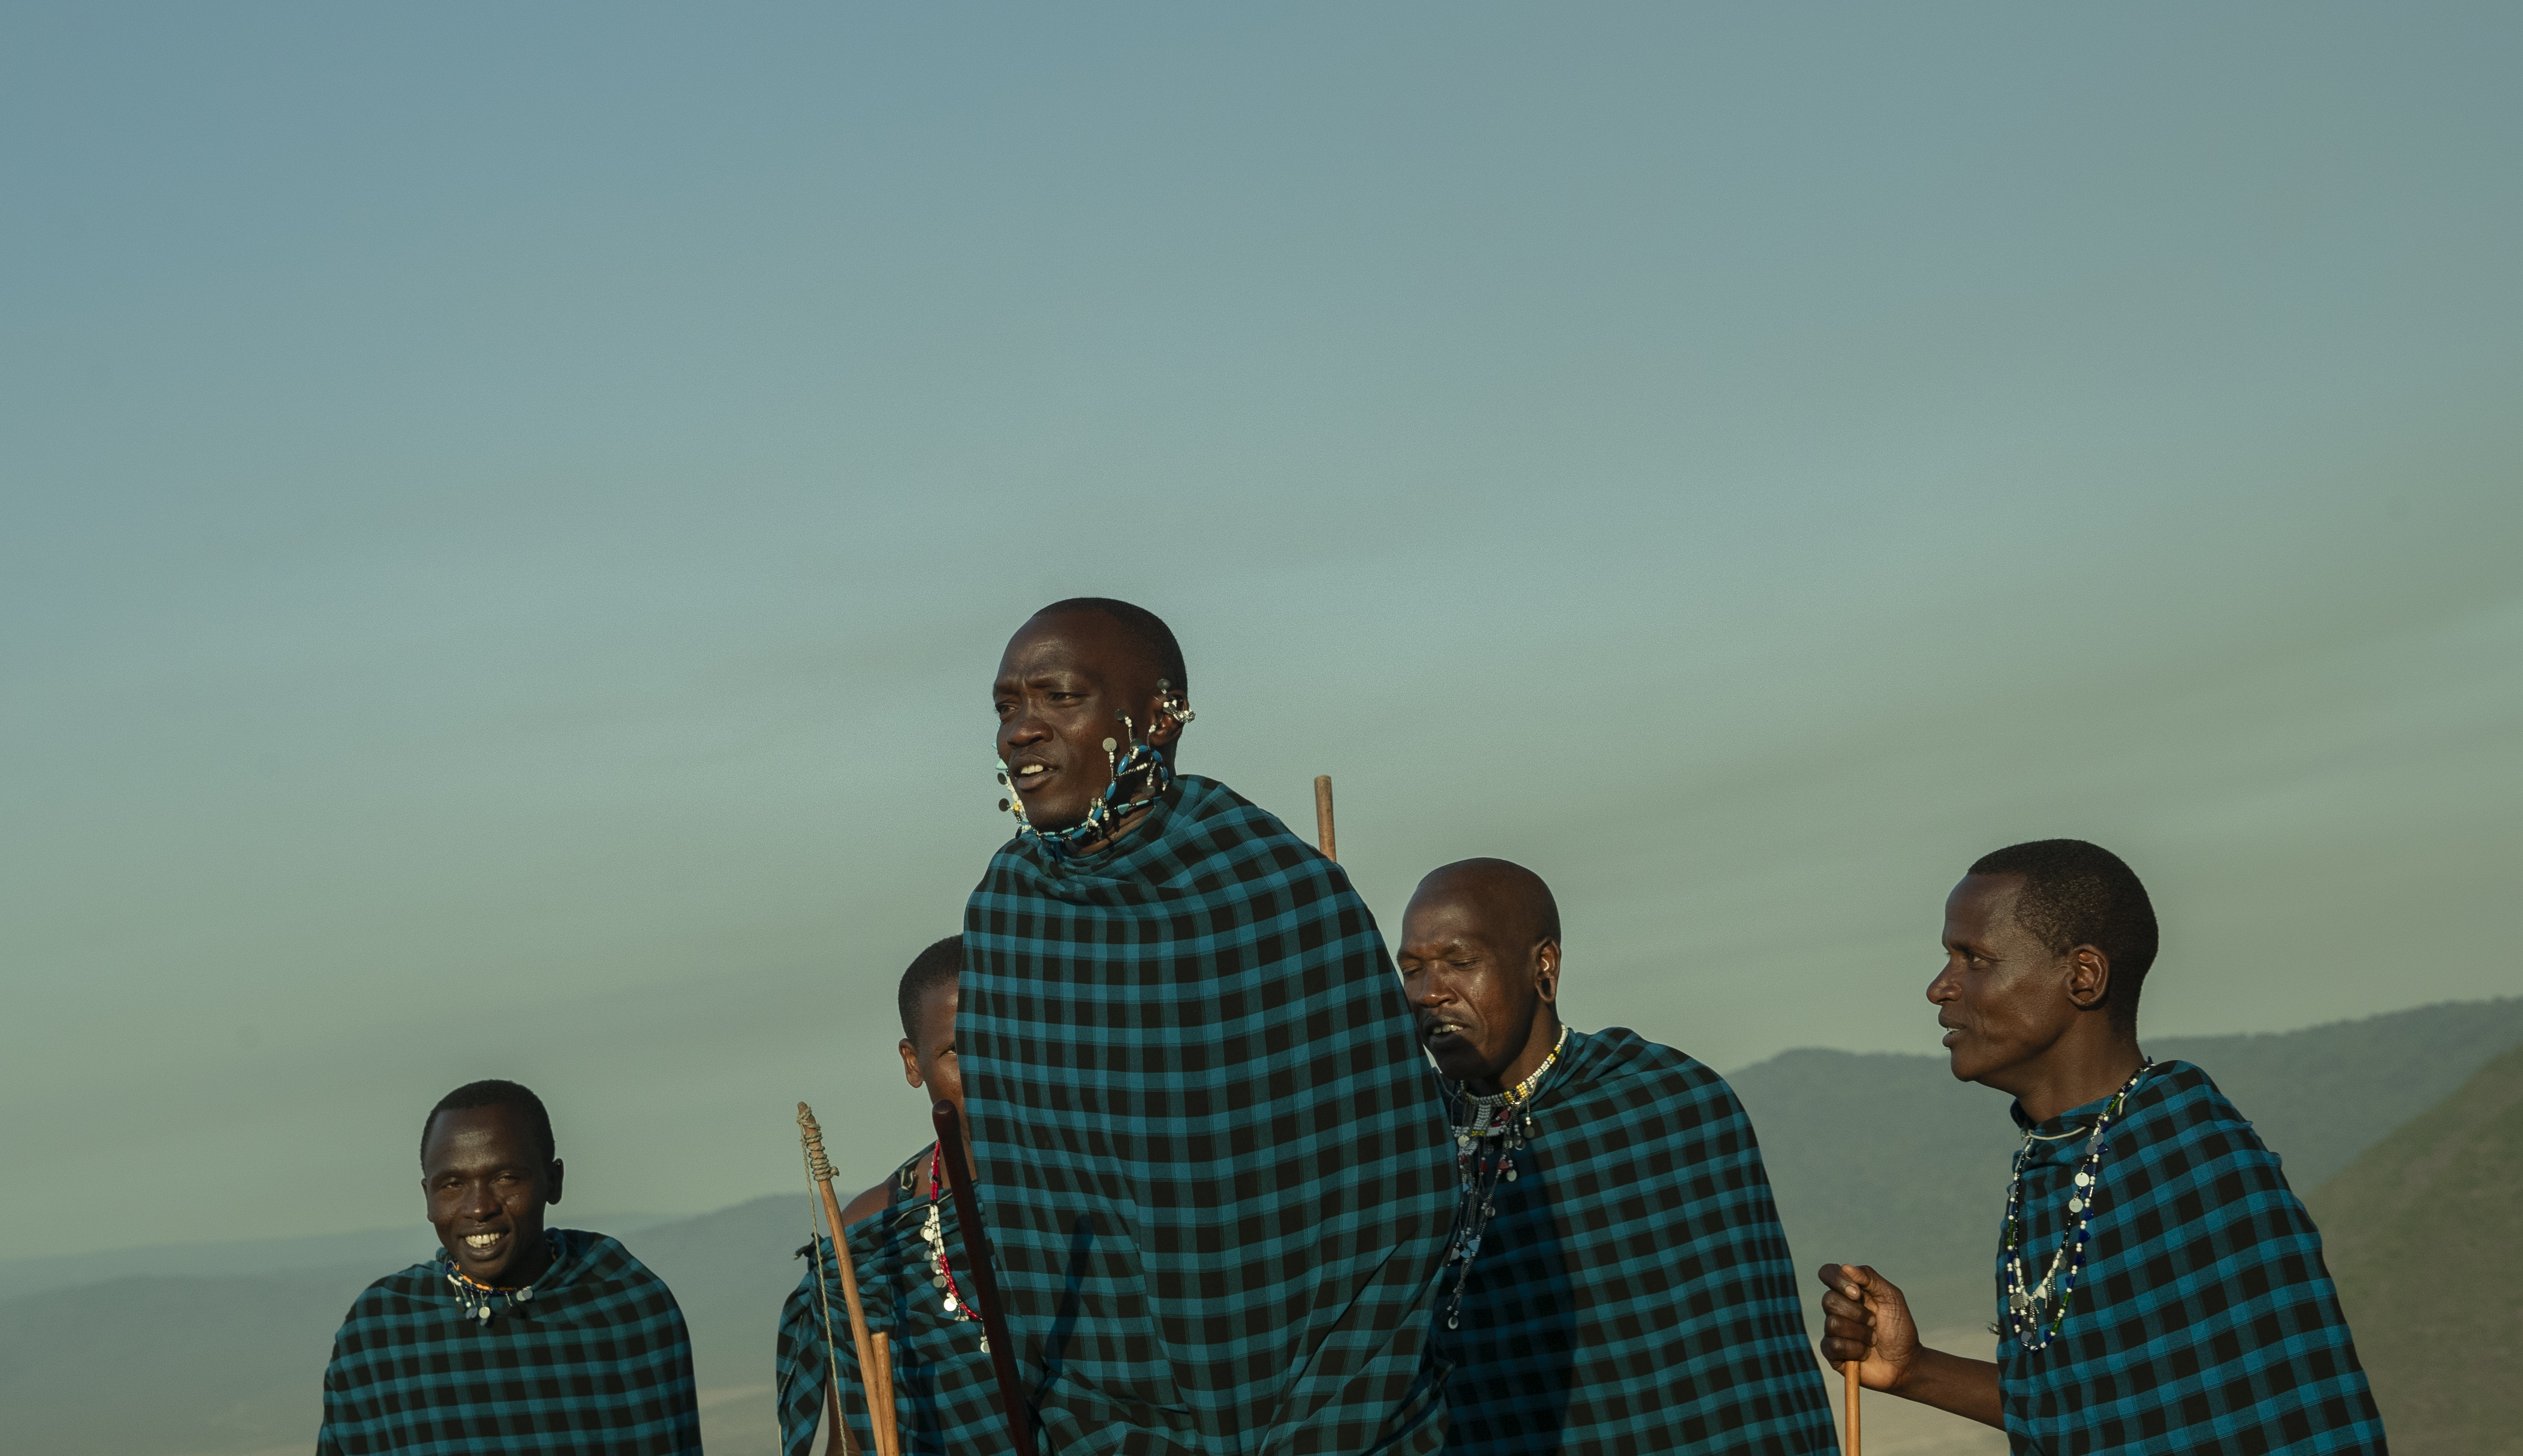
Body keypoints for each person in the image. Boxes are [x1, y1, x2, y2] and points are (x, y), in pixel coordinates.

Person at [958, 597, 1457, 1456]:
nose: (1020, 732)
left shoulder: (1277, 896)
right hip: (1117, 1433)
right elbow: (1035, 1239)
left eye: (1058, 699)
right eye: (1007, 707)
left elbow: (1397, 1204)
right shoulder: (1009, 921)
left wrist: (1319, 1434)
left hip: (1337, 1419)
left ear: (1156, 716)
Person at [1817, 842, 2388, 1456]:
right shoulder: (2060, 1158)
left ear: (2082, 977)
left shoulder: (2183, 1161)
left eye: (1974, 959)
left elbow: (2285, 1418)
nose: (1940, 988)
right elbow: (2090, 1413)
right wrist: (1914, 1370)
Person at [1398, 858, 1836, 1455]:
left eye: (1459, 963)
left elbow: (1741, 1373)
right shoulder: (1404, 1136)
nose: (1430, 993)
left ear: (1542, 966)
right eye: (1412, 970)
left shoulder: (1661, 1105)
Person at [317, 1078, 703, 1455]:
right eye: (451, 1184)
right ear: (428, 1198)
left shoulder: (629, 1306)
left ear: (553, 1182)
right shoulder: (381, 1332)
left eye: (505, 1178)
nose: (479, 1207)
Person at [774, 936, 1008, 1456]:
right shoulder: (875, 1234)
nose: (987, 1070)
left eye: (1003, 1037)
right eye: (954, 1051)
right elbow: (852, 1440)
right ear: (913, 1062)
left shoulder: (1100, 1180)